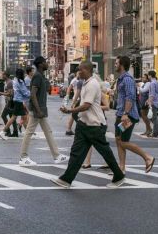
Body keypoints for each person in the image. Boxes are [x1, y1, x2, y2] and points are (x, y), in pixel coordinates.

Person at [52, 61, 126, 189]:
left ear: (86, 70)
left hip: (94, 125)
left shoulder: (92, 84)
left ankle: (118, 176)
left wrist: (70, 110)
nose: (77, 72)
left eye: (79, 70)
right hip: (84, 123)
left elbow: (87, 105)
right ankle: (66, 179)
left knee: (105, 152)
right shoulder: (85, 83)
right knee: (76, 152)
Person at [18, 56, 68, 166]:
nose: (47, 64)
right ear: (40, 64)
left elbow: (47, 90)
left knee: (48, 132)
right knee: (29, 132)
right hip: (37, 111)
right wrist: (38, 110)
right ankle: (23, 157)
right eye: (45, 62)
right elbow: (33, 94)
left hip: (40, 110)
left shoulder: (40, 76)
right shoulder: (37, 76)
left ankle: (57, 156)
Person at [113, 56, 155, 173]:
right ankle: (121, 168)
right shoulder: (121, 79)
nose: (115, 65)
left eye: (116, 63)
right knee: (118, 139)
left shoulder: (127, 79)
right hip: (121, 113)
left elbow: (130, 97)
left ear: (122, 65)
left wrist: (126, 114)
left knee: (123, 141)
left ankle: (147, 157)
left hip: (127, 115)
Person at [0, 69, 29, 139]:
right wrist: (32, 94)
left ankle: (29, 132)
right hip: (18, 101)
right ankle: (3, 131)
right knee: (13, 117)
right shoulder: (20, 81)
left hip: (16, 101)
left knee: (24, 116)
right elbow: (24, 92)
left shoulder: (15, 81)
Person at [0, 72, 16, 137]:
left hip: (10, 102)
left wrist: (1, 93)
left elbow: (10, 94)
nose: (1, 76)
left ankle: (8, 131)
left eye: (2, 75)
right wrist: (2, 93)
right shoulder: (7, 82)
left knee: (3, 115)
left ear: (5, 75)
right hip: (9, 102)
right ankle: (15, 132)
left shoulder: (9, 83)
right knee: (12, 117)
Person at [147, 70, 158, 137]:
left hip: (153, 102)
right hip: (157, 101)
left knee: (153, 117)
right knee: (153, 117)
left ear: (150, 75)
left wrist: (150, 102)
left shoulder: (152, 83)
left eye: (148, 75)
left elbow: (152, 94)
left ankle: (155, 132)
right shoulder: (157, 82)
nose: (148, 76)